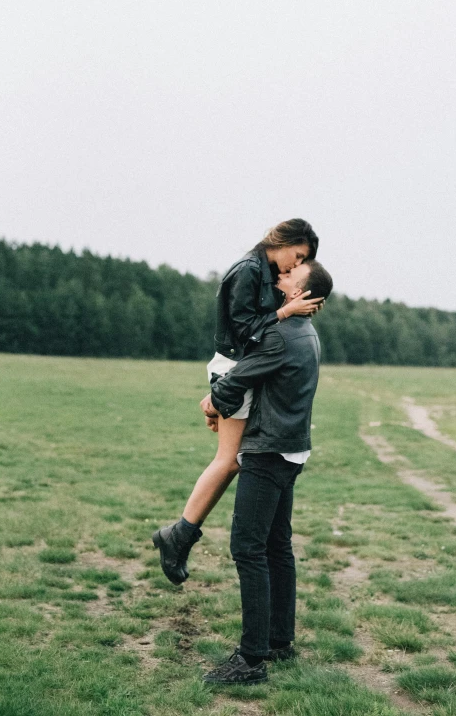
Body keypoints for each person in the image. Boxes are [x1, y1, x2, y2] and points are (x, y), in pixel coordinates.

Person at [152, 219, 323, 585]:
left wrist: (296, 306)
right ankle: (178, 536)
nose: (294, 266)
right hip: (236, 368)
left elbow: (269, 337)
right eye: (298, 256)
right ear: (285, 242)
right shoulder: (248, 271)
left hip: (246, 370)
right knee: (229, 461)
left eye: (301, 262)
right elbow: (246, 330)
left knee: (236, 460)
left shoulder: (267, 271)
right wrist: (284, 312)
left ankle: (179, 536)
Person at [200, 259, 334, 685]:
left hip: (268, 450)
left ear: (300, 294)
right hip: (291, 449)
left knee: (248, 549)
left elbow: (241, 376)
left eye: (289, 276)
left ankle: (251, 660)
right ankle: (279, 641)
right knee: (277, 547)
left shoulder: (280, 335)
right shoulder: (307, 334)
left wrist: (212, 399)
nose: (279, 277)